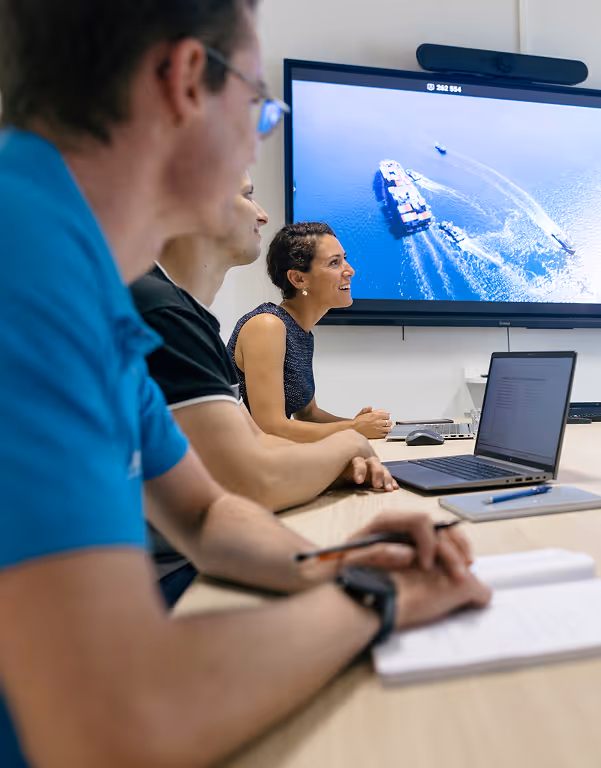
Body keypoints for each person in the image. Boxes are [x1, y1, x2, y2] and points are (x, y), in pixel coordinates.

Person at [0, 4, 489, 767]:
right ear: (188, 81)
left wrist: (335, 566)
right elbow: (115, 720)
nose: (258, 140)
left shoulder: (88, 275)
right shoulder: (26, 262)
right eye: (261, 106)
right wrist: (378, 601)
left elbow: (204, 513)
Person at [131, 173, 400, 606]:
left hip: (183, 552)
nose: (263, 213)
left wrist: (339, 456)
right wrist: (351, 437)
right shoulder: (163, 312)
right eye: (248, 195)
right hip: (156, 579)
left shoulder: (192, 319)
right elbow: (255, 472)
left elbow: (258, 441)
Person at [228, 221, 393, 442]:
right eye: (335, 263)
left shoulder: (300, 332)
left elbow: (308, 415)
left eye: (344, 258)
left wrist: (359, 425)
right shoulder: (267, 326)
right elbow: (269, 427)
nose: (350, 270)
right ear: (298, 279)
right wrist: (354, 428)